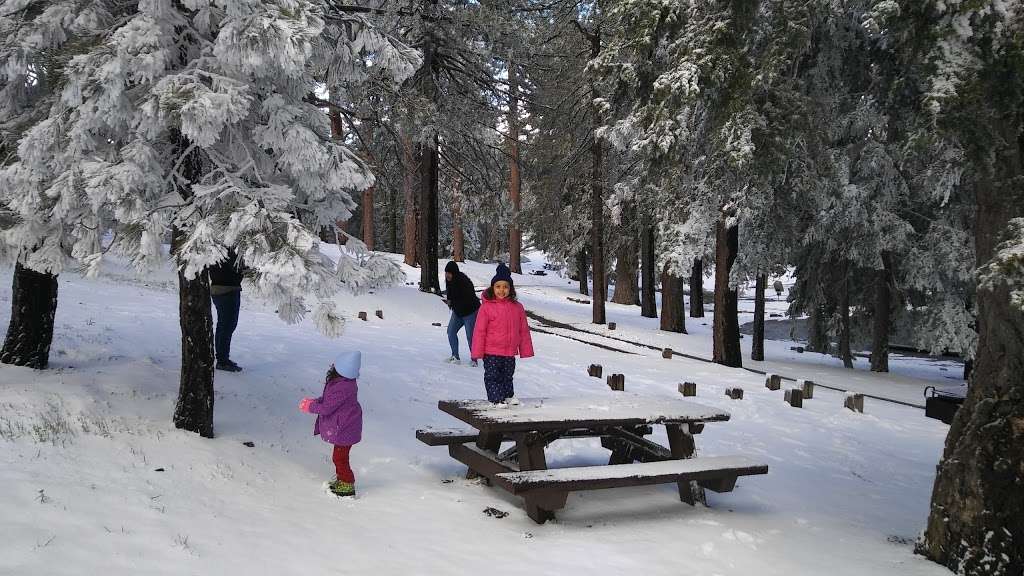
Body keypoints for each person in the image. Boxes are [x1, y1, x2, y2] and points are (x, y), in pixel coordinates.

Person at [299, 351, 363, 497]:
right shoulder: (340, 381)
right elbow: (329, 399)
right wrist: (315, 401)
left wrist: (310, 407)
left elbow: (327, 408)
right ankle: (342, 480)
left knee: (339, 458)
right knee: (339, 456)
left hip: (346, 427)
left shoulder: (344, 386)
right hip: (345, 424)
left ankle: (347, 484)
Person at [470, 263, 534, 403]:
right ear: (493, 288)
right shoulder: (486, 308)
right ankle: (496, 400)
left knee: (507, 376)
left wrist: (525, 350)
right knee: (493, 376)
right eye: (498, 286)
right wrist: (477, 352)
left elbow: (523, 330)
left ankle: (507, 397)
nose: (501, 290)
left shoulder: (517, 308)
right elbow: (479, 331)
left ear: (510, 289)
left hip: (509, 352)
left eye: (505, 287)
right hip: (491, 351)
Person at [208, 249, 246, 372]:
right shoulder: (228, 248)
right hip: (227, 289)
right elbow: (237, 267)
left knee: (224, 325)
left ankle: (222, 358)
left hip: (221, 288)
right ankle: (222, 360)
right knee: (227, 326)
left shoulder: (218, 247)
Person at [443, 261, 481, 366]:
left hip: (470, 312)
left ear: (454, 273)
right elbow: (451, 295)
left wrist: (454, 302)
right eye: (446, 273)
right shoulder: (449, 281)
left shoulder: (464, 281)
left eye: (449, 273)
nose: (447, 275)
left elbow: (468, 298)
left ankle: (474, 360)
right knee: (450, 331)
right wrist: (450, 302)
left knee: (470, 336)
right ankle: (455, 356)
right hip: (458, 312)